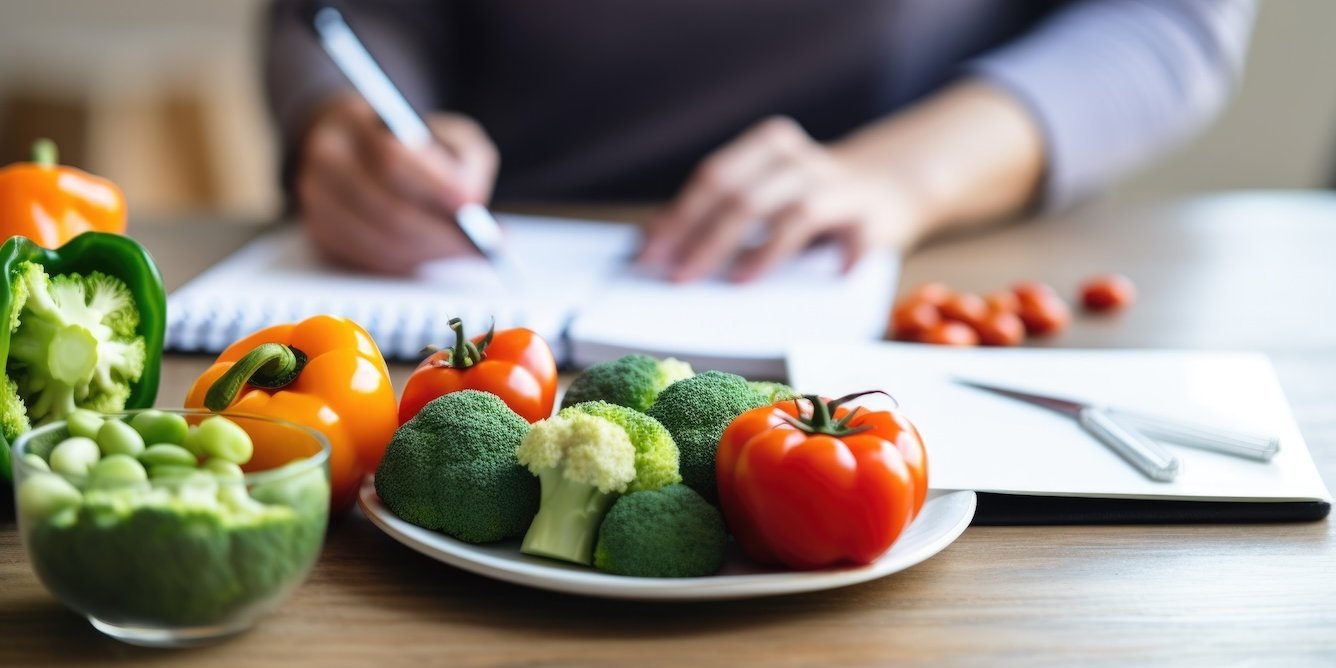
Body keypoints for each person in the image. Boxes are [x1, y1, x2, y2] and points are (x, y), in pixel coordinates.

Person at [265, 0, 1256, 280]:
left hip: (941, 246)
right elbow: (342, 16)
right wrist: (343, 127)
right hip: (469, 257)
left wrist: (909, 174)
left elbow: (1169, 19)